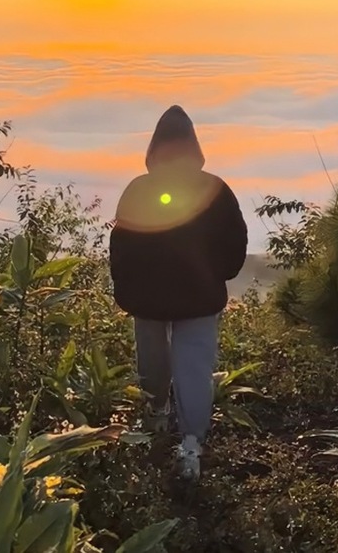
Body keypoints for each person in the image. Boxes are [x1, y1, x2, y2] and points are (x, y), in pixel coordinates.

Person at [109, 105, 248, 480]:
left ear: (154, 150)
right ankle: (191, 445)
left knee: (152, 363)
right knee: (195, 370)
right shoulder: (216, 189)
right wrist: (218, 275)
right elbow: (236, 243)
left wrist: (126, 289)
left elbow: (120, 246)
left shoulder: (138, 189)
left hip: (148, 301)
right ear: (194, 147)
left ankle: (155, 420)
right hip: (200, 298)